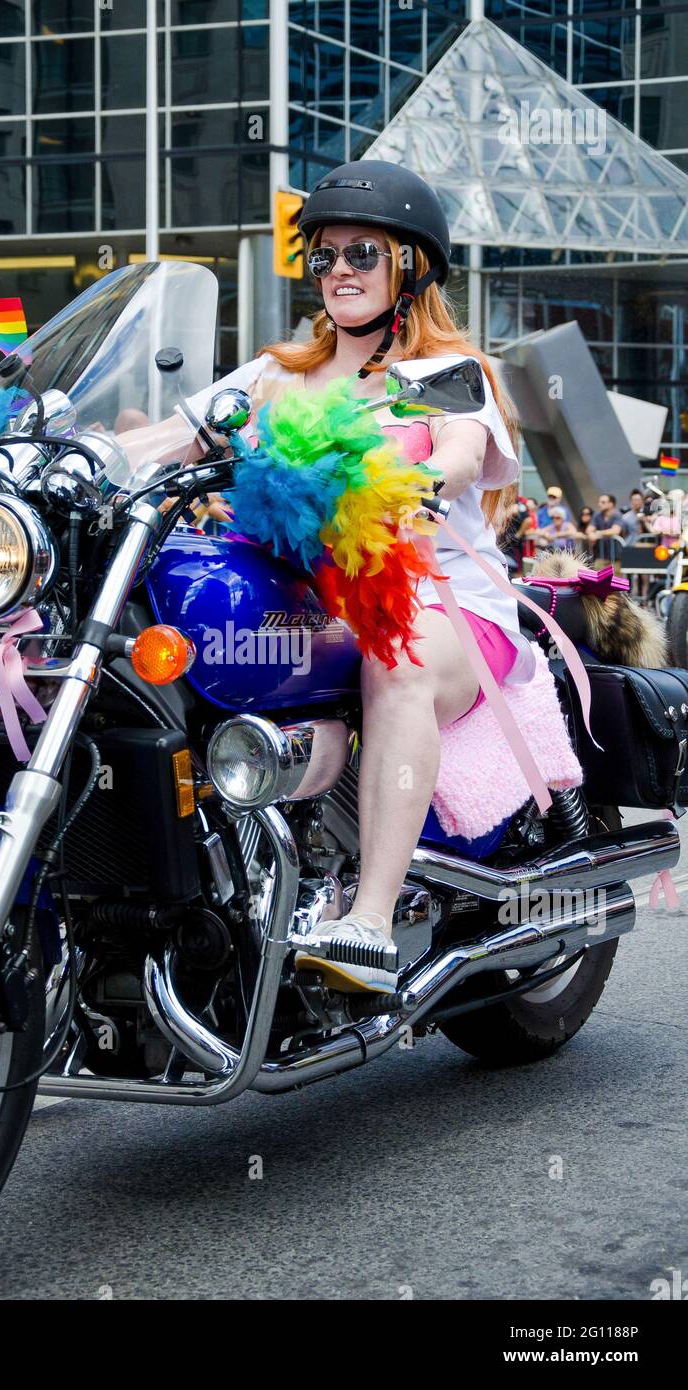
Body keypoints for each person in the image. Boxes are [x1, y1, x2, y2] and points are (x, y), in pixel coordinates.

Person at [122, 160, 535, 992]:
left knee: (400, 662)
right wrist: (39, 456)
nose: (338, 270)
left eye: (361, 254)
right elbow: (168, 436)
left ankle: (369, 921)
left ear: (409, 267)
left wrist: (415, 478)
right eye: (324, 256)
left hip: (434, 604)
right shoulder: (276, 373)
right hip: (308, 605)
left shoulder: (442, 373)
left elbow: (456, 454)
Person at [588, 493, 625, 567]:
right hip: (600, 555)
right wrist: (591, 534)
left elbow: (615, 531)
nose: (599, 504)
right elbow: (589, 529)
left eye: (603, 502)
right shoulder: (597, 515)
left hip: (616, 555)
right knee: (598, 576)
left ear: (611, 504)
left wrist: (598, 533)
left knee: (615, 577)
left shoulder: (617, 515)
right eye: (599, 502)